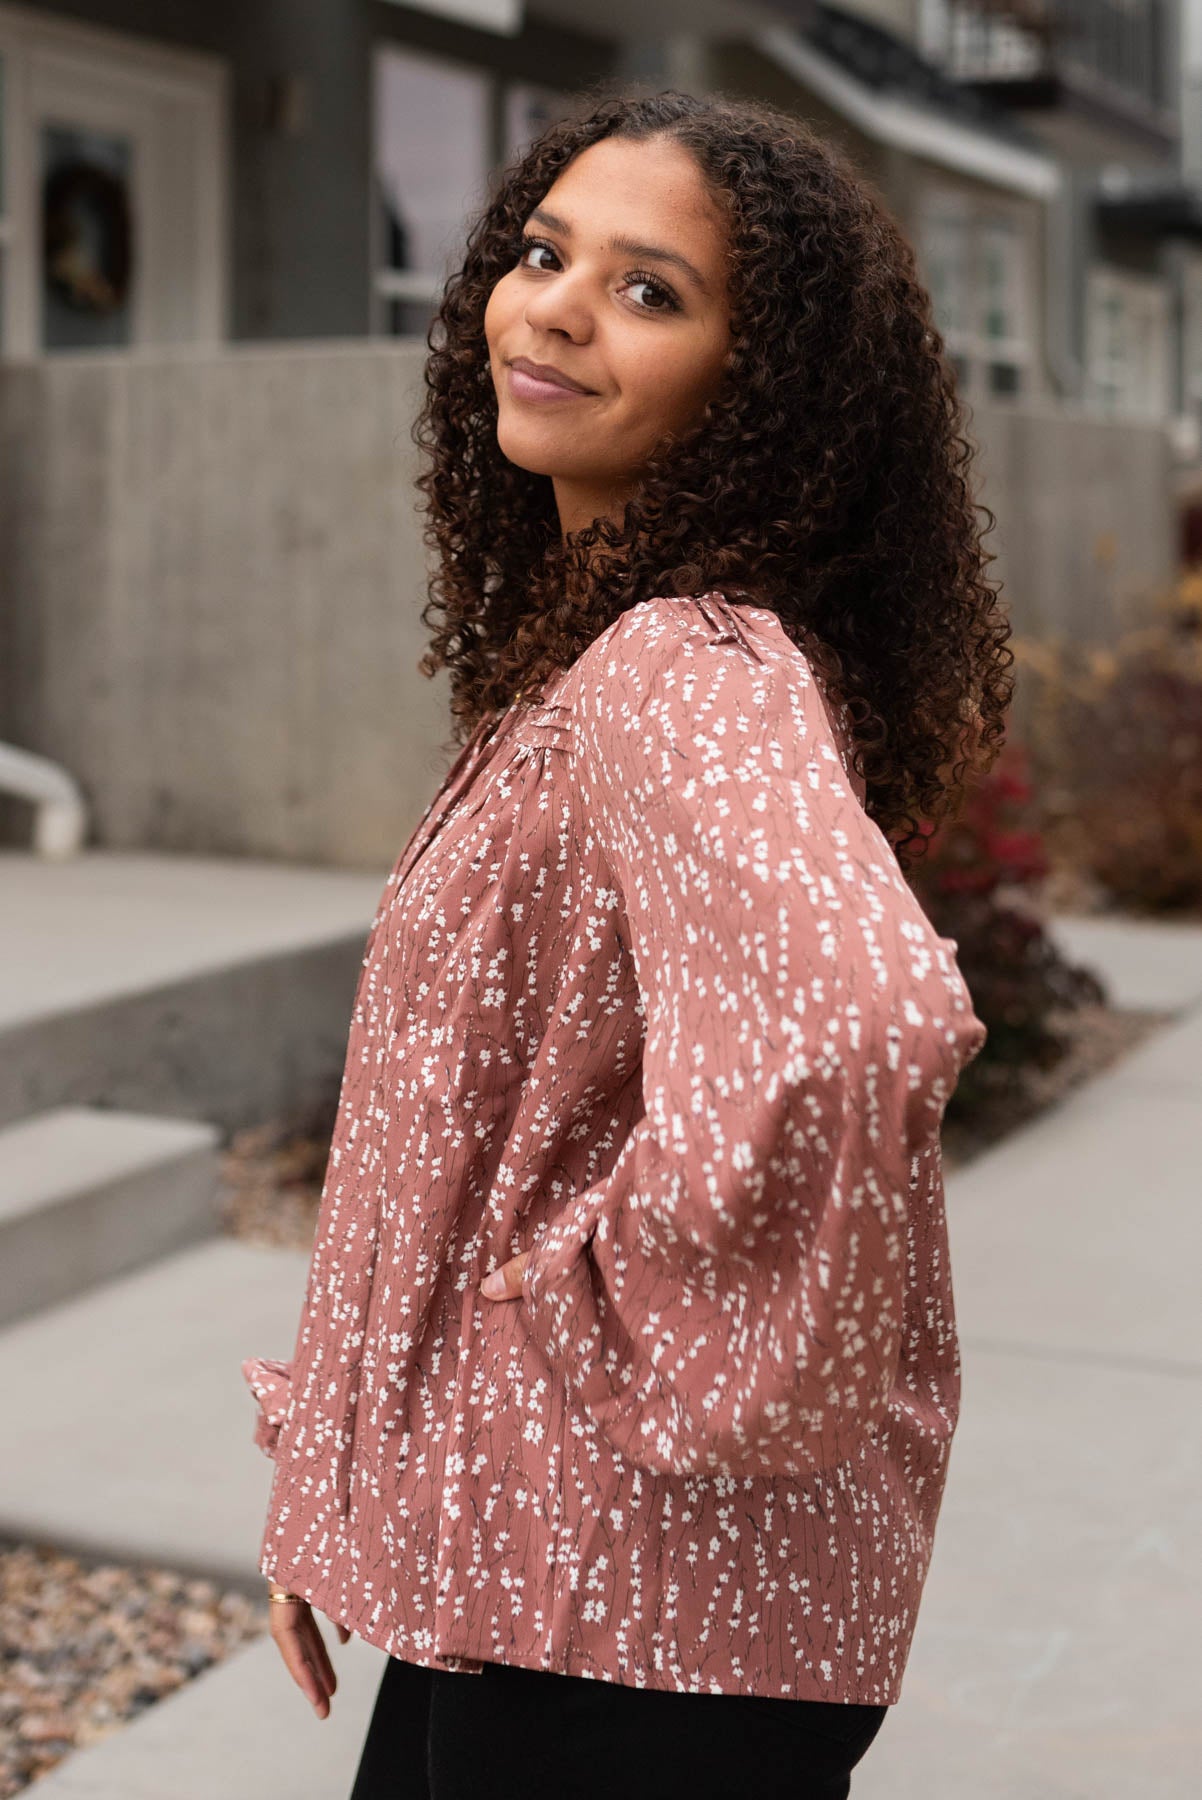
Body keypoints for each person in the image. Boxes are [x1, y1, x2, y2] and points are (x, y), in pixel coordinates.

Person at [241, 86, 1009, 1799]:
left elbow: (855, 1023)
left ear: (764, 391)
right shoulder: (591, 666)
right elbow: (471, 1143)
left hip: (636, 1616)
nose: (558, 308)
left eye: (650, 290)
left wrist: (603, 1346)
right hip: (537, 1575)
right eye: (540, 252)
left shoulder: (681, 663)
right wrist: (343, 1483)